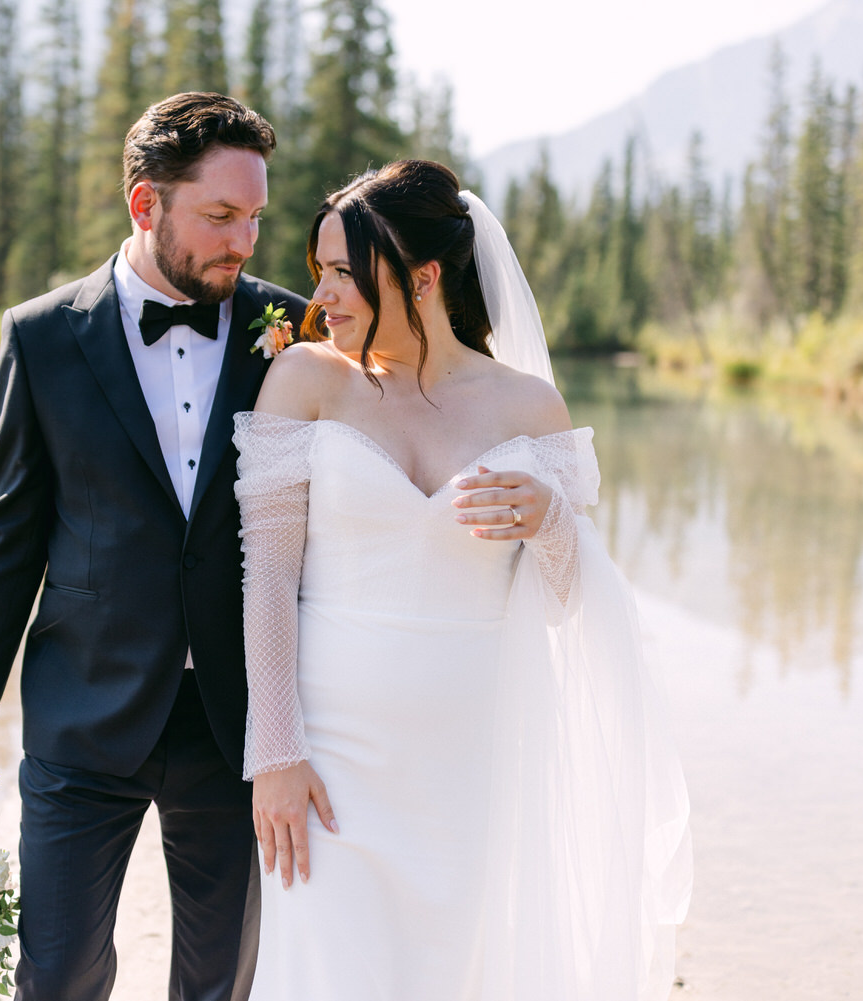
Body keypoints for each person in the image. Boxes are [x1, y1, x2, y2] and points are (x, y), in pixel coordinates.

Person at [232, 160, 693, 1000]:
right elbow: (265, 578)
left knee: (459, 970)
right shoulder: (304, 381)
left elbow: (571, 602)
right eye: (319, 271)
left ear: (424, 276)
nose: (321, 296)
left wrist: (552, 521)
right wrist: (275, 750)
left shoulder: (528, 408)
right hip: (329, 762)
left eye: (344, 272)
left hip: (472, 762)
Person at [0, 92, 308, 1001]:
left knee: (221, 981)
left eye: (254, 216)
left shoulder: (288, 330)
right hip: (82, 717)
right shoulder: (43, 335)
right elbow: (8, 535)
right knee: (56, 978)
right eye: (219, 216)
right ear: (145, 204)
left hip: (235, 721)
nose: (243, 241)